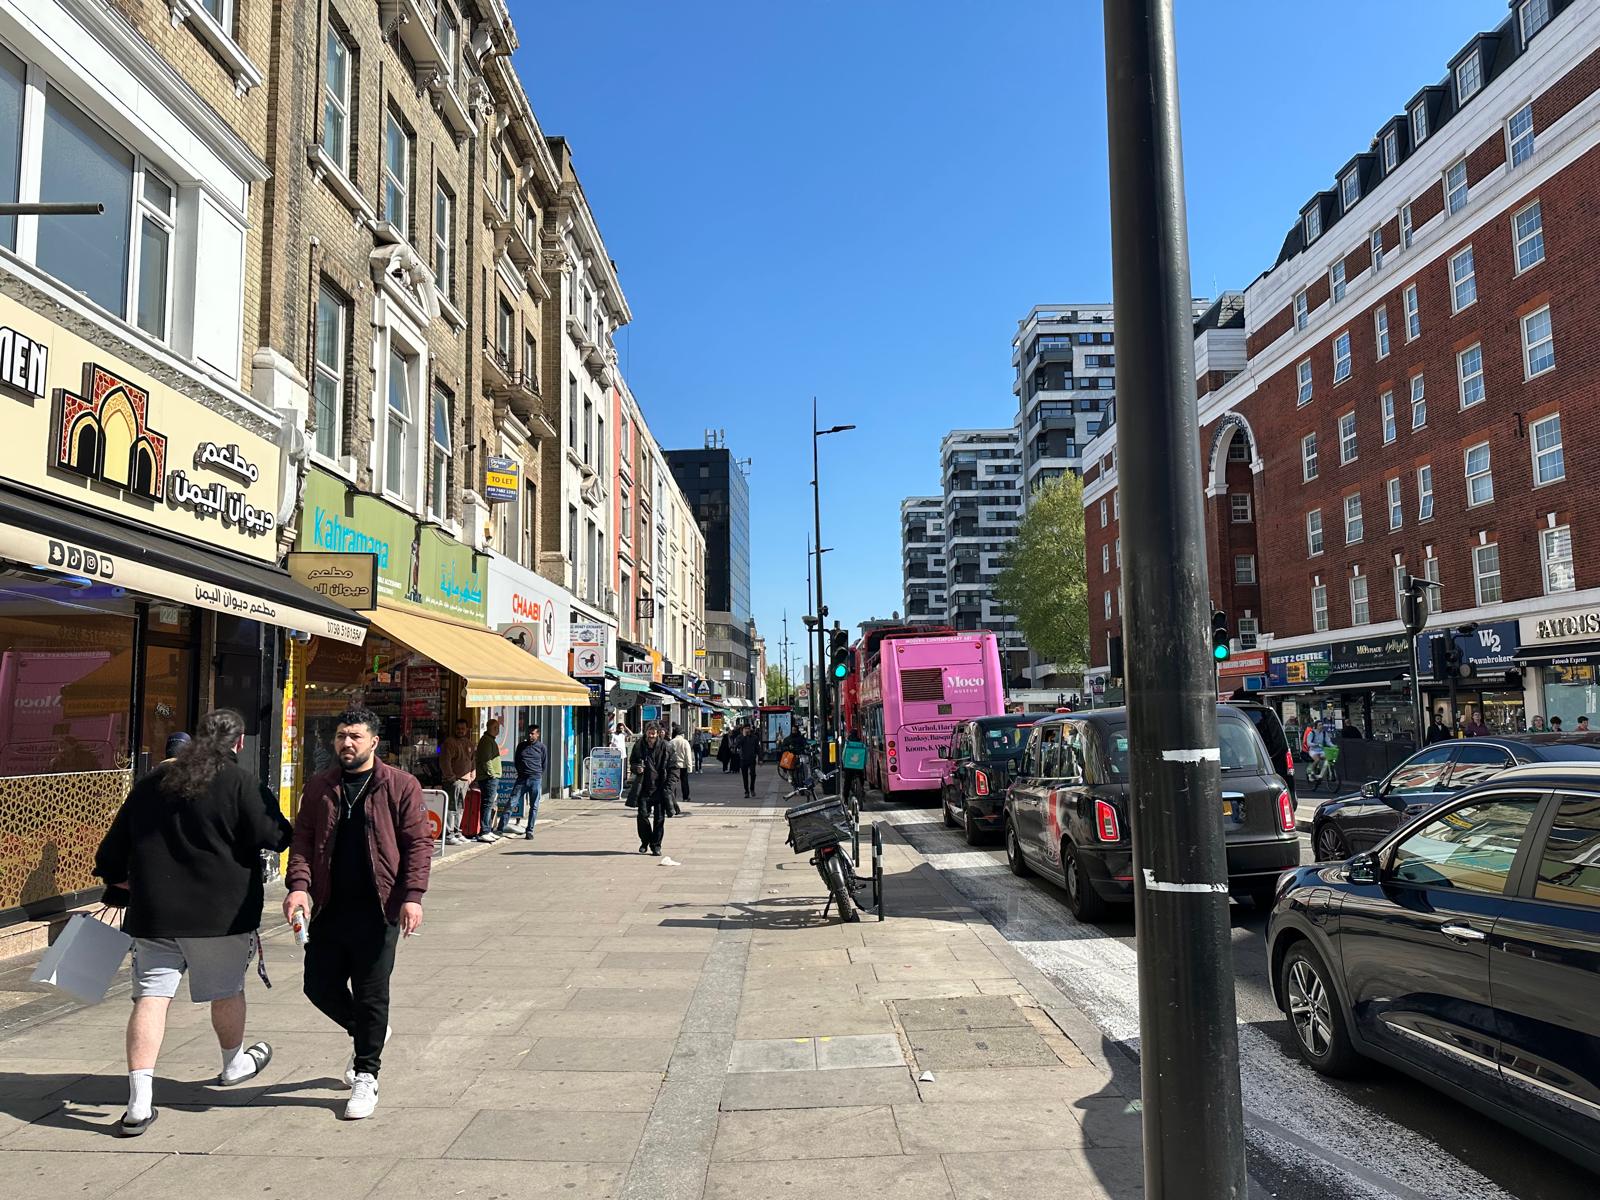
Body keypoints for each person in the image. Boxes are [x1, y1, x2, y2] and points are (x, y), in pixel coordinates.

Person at [93, 708, 292, 1137]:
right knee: (227, 991)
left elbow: (110, 853)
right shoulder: (240, 782)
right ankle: (233, 1064)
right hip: (220, 915)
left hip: (155, 914)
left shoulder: (152, 783)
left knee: (151, 997)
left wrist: (128, 879)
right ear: (238, 743)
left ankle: (138, 1103)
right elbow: (276, 836)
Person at [285, 706, 430, 1121]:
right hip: (330, 906)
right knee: (318, 986)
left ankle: (367, 1074)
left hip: (379, 909)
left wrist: (412, 896)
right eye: (340, 736)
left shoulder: (400, 785)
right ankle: (370, 1032)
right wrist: (298, 887)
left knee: (371, 993)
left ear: (373, 742)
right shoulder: (320, 786)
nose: (346, 744)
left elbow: (418, 844)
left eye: (354, 736)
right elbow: (303, 839)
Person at [629, 722, 676, 855]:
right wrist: (636, 768)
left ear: (658, 733)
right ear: (646, 732)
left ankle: (656, 846)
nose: (651, 735)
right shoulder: (639, 746)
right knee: (642, 816)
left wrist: (669, 786)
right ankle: (645, 841)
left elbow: (674, 768)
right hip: (644, 787)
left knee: (659, 818)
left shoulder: (666, 747)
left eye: (654, 732)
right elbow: (632, 762)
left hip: (660, 788)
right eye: (649, 732)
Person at [440, 719, 474, 845]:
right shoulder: (449, 743)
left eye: (463, 729)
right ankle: (449, 834)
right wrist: (451, 778)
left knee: (460, 808)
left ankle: (458, 832)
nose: (460, 731)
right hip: (453, 781)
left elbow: (473, 761)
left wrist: (472, 775)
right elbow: (445, 762)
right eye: (458, 728)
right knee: (451, 808)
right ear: (455, 729)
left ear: (467, 729)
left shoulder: (469, 743)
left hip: (465, 781)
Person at [512, 726, 547, 840]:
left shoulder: (542, 747)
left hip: (535, 779)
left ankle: (529, 831)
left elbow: (544, 764)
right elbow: (516, 761)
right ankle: (500, 828)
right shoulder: (521, 746)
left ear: (538, 734)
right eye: (529, 733)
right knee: (511, 803)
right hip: (522, 779)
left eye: (532, 734)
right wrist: (521, 772)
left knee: (534, 806)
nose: (530, 736)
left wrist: (537, 774)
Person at [475, 718, 504, 842]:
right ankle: (484, 830)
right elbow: (486, 760)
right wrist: (492, 774)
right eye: (495, 728)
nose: (497, 730)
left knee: (489, 804)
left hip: (490, 777)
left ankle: (487, 829)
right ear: (490, 728)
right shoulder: (487, 741)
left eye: (497, 727)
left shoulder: (489, 740)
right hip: (488, 778)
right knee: (487, 803)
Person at [669, 724, 694, 813]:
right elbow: (688, 755)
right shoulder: (685, 742)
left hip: (674, 765)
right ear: (681, 734)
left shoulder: (671, 742)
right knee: (684, 782)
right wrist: (690, 767)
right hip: (683, 765)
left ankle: (673, 798)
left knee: (673, 783)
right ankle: (685, 797)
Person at [737, 721, 760, 798]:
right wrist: (744, 736)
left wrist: (760, 758)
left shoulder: (754, 737)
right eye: (745, 728)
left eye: (748, 728)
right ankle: (746, 791)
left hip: (752, 759)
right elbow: (738, 745)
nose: (747, 730)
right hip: (743, 759)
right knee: (745, 776)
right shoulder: (740, 737)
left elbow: (758, 748)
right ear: (743, 730)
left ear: (750, 729)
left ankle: (752, 789)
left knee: (753, 774)